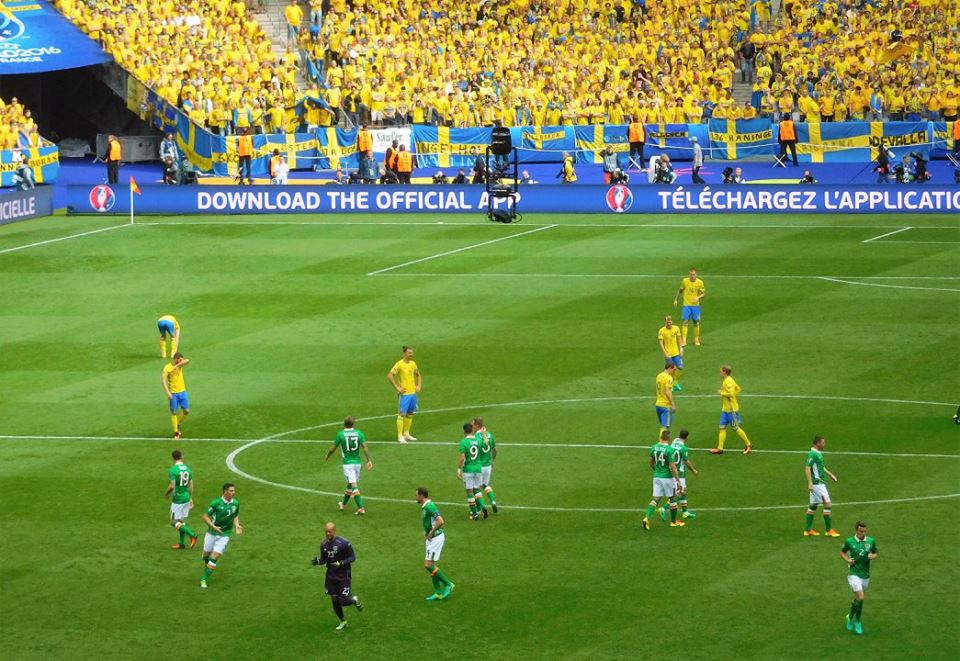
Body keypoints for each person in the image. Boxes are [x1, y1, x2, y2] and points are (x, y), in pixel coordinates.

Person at [312, 522, 363, 631]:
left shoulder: (344, 543)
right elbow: (324, 560)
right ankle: (343, 621)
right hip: (331, 576)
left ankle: (354, 600)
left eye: (330, 531)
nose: (328, 534)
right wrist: (317, 561)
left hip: (344, 576)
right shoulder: (323, 544)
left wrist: (340, 563)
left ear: (334, 531)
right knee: (335, 601)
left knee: (343, 601)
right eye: (326, 532)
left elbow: (352, 557)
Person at [325, 417, 373, 515]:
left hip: (348, 464)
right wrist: (369, 460)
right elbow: (365, 447)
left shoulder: (340, 434)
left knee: (353, 485)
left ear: (344, 424)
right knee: (350, 484)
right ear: (353, 424)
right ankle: (343, 504)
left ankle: (361, 508)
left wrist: (328, 455)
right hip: (357, 463)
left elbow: (333, 448)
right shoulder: (359, 433)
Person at [200, 483, 243, 589]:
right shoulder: (216, 503)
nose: (233, 493)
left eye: (234, 491)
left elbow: (235, 514)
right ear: (225, 492)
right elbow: (205, 516)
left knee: (215, 556)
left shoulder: (236, 503)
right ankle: (208, 564)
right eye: (231, 491)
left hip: (225, 534)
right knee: (205, 555)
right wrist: (214, 527)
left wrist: (237, 525)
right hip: (211, 533)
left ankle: (204, 579)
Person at [416, 487, 455, 601]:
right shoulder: (426, 507)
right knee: (432, 566)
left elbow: (440, 521)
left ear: (422, 495)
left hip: (436, 539)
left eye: (416, 495)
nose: (415, 497)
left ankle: (448, 584)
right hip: (432, 539)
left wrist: (431, 533)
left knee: (428, 565)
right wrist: (427, 532)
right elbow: (431, 522)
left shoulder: (430, 506)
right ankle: (438, 592)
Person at [840, 522, 878, 636]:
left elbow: (875, 553)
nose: (863, 533)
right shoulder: (849, 541)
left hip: (865, 575)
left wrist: (873, 556)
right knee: (861, 596)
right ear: (856, 530)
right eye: (861, 531)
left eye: (865, 531)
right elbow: (842, 552)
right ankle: (858, 622)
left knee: (858, 599)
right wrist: (847, 560)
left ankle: (850, 616)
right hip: (853, 573)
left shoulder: (870, 541)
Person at [642, 430, 683, 531]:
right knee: (673, 498)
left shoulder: (654, 447)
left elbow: (651, 463)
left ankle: (646, 518)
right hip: (667, 477)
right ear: (669, 438)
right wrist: (678, 480)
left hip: (657, 476)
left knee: (656, 499)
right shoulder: (669, 450)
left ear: (661, 437)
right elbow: (673, 467)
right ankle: (673, 522)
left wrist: (658, 471)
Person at [710, 365, 753, 455]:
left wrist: (721, 393)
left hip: (731, 410)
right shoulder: (728, 380)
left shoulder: (728, 381)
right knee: (722, 428)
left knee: (735, 428)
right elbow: (738, 389)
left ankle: (748, 444)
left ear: (725, 372)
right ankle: (720, 449)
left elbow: (731, 393)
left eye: (721, 371)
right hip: (725, 410)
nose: (720, 373)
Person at [804, 435, 840, 537]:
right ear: (818, 443)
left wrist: (831, 475)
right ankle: (829, 531)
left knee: (813, 505)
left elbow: (821, 467)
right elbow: (807, 467)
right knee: (828, 504)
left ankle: (808, 530)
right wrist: (810, 483)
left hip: (818, 483)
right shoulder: (813, 454)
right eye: (823, 443)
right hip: (817, 484)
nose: (825, 444)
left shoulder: (818, 454)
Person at [164, 449, 198, 550]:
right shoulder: (188, 469)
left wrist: (166, 494)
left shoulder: (173, 470)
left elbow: (172, 486)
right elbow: (191, 485)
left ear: (173, 458)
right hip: (186, 497)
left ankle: (192, 535)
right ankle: (182, 543)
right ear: (181, 457)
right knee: (181, 521)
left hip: (178, 500)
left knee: (173, 521)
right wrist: (191, 498)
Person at [387, 346, 421, 443]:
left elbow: (418, 374)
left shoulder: (413, 364)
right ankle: (400, 436)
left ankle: (406, 433)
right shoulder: (399, 364)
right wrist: (397, 388)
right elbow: (390, 375)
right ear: (404, 353)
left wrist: (419, 385)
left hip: (413, 393)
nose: (411, 354)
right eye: (409, 353)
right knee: (402, 414)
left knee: (410, 414)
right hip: (405, 394)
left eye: (412, 353)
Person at [457, 422, 487, 520]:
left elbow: (462, 458)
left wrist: (458, 469)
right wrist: (484, 434)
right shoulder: (478, 440)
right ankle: (483, 506)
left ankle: (475, 514)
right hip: (478, 468)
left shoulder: (463, 442)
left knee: (470, 491)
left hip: (468, 469)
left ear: (464, 431)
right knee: (476, 489)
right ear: (472, 430)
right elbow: (486, 444)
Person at [673, 268, 705, 346]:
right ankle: (684, 341)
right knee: (685, 322)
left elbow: (703, 293)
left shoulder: (700, 282)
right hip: (686, 305)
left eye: (693, 274)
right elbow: (680, 290)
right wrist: (676, 300)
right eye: (690, 274)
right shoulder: (685, 281)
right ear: (689, 275)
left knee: (696, 322)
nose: (692, 276)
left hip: (695, 306)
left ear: (696, 275)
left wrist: (698, 297)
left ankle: (696, 339)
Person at [162, 352, 190, 440]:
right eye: (180, 360)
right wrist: (168, 393)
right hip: (173, 393)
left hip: (182, 392)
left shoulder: (179, 366)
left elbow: (187, 361)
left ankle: (178, 424)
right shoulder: (167, 368)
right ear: (175, 359)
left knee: (186, 411)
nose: (181, 361)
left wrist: (177, 366)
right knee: (174, 412)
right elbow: (163, 381)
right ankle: (176, 432)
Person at [472, 417, 498, 513]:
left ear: (477, 425)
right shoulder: (490, 435)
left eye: (473, 424)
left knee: (476, 488)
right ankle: (493, 501)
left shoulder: (475, 437)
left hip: (479, 466)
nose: (472, 426)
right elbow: (495, 450)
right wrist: (493, 461)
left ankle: (481, 508)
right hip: (488, 466)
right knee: (486, 485)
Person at [657, 315, 684, 392]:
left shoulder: (676, 328)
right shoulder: (661, 331)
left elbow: (679, 339)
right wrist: (665, 353)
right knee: (670, 370)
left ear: (672, 321)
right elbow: (661, 343)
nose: (669, 324)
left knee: (680, 367)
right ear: (665, 322)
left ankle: (675, 383)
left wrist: (681, 350)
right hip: (668, 354)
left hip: (676, 353)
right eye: (667, 322)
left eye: (670, 322)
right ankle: (668, 384)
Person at [654, 362, 678, 434]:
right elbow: (667, 391)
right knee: (665, 427)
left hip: (658, 405)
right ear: (670, 368)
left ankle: (662, 440)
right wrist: (672, 404)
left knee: (663, 426)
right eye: (674, 369)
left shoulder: (659, 376)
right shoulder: (669, 377)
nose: (674, 371)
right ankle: (662, 441)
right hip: (666, 406)